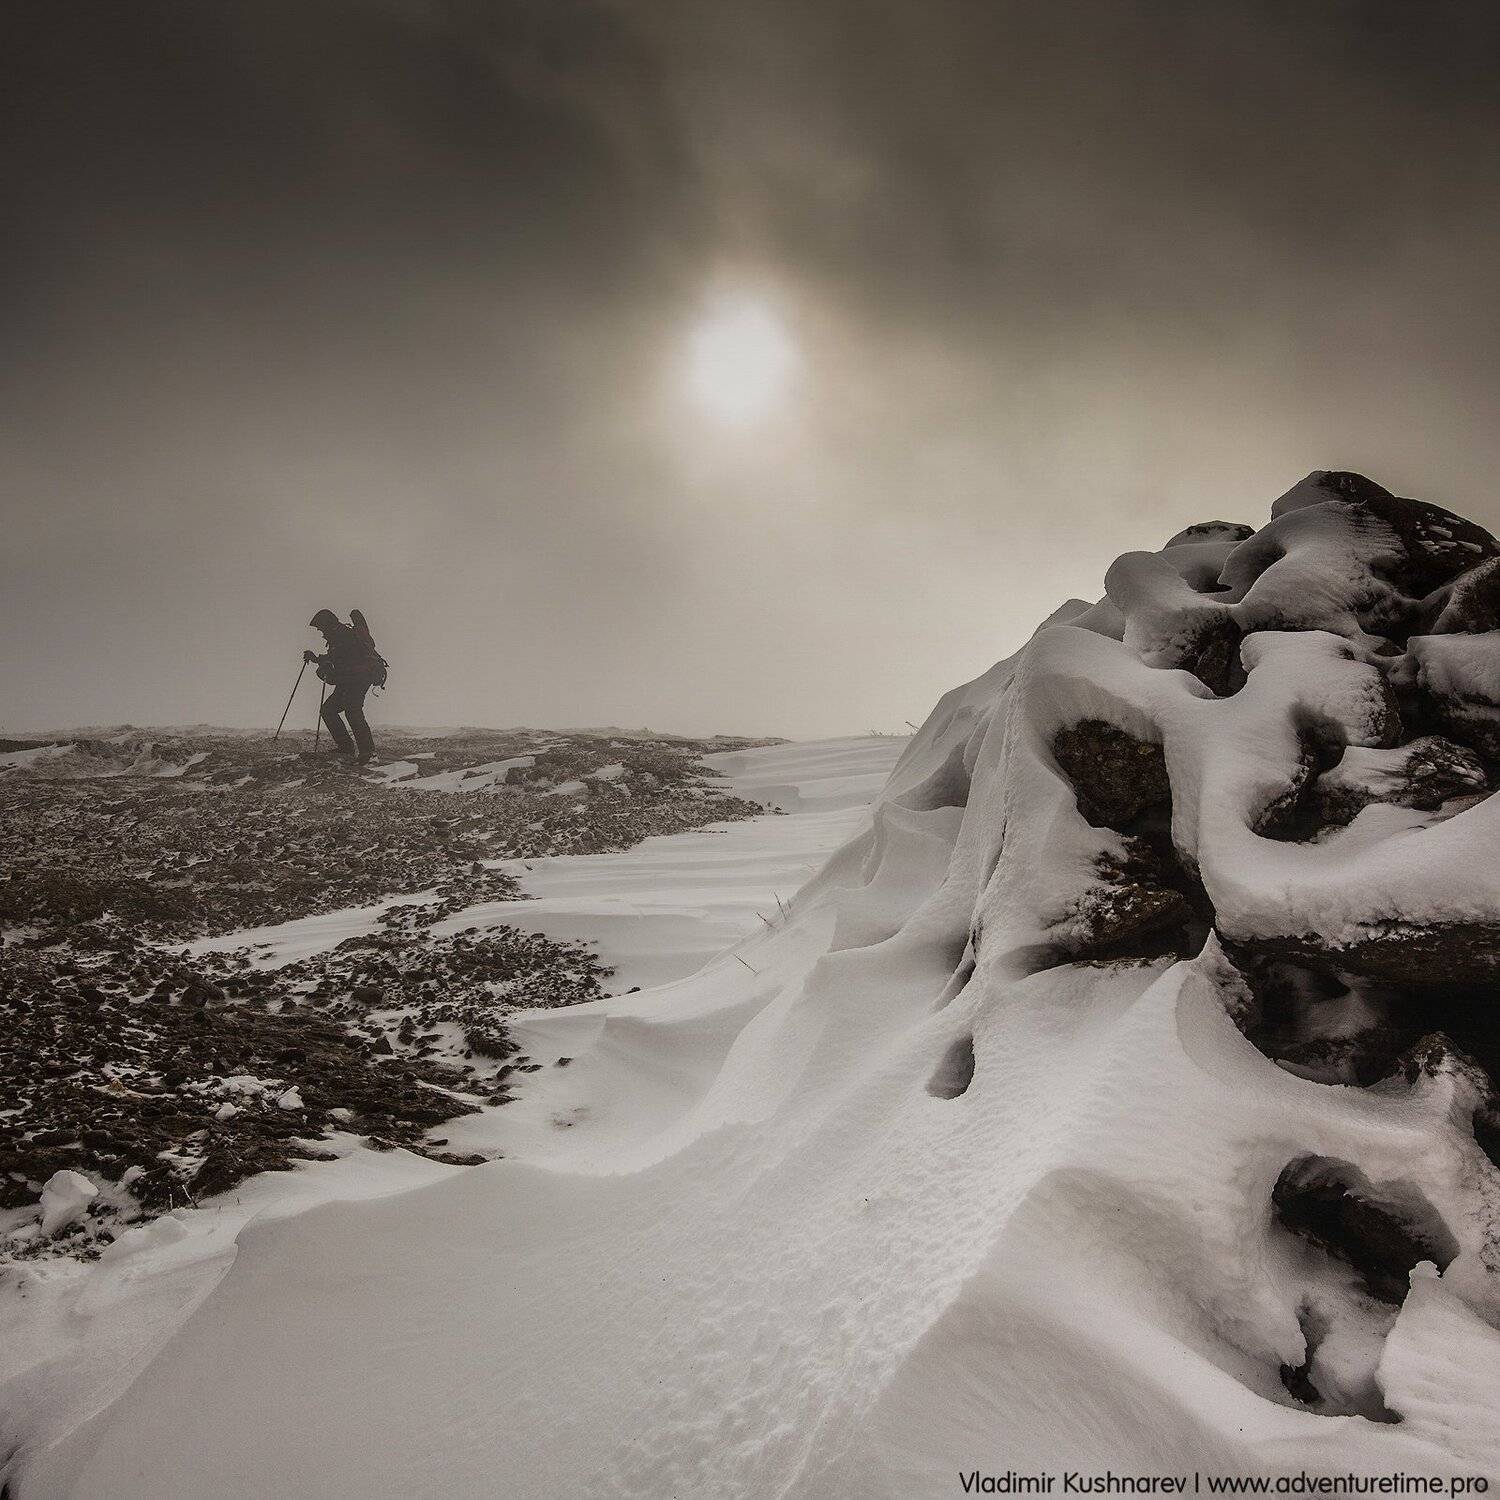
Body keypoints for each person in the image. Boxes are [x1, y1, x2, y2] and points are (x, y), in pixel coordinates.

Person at [304, 608, 384, 763]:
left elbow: (345, 662)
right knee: (329, 710)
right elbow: (335, 658)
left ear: (328, 625)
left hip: (358, 679)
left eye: (321, 629)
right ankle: (347, 748)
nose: (321, 633)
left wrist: (325, 665)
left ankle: (368, 753)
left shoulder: (343, 636)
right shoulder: (339, 636)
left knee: (352, 710)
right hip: (350, 680)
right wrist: (318, 660)